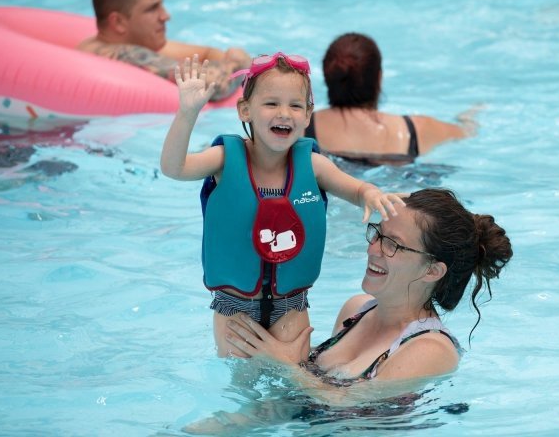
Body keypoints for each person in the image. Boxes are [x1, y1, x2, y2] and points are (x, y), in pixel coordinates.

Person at [160, 52, 405, 359]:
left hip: (291, 304)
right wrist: (187, 113)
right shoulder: (225, 159)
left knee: (291, 388)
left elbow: (355, 189)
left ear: (307, 115)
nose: (284, 113)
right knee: (243, 393)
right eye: (271, 103)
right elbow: (174, 168)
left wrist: (370, 193)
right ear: (245, 110)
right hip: (234, 307)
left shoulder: (314, 166)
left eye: (295, 105)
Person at [224, 188, 513, 401]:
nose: (373, 249)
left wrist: (286, 365)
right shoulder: (356, 310)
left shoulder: (431, 350)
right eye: (377, 233)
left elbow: (353, 410)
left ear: (432, 271)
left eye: (393, 244)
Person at [78, 0, 250, 101]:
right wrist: (238, 60)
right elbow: (216, 85)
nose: (165, 16)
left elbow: (207, 53)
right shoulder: (123, 56)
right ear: (118, 22)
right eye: (152, 8)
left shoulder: (126, 43)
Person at [305, 33, 479, 166]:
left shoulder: (301, 127)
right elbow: (468, 132)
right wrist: (468, 117)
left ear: (327, 77)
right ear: (379, 77)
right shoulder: (417, 130)